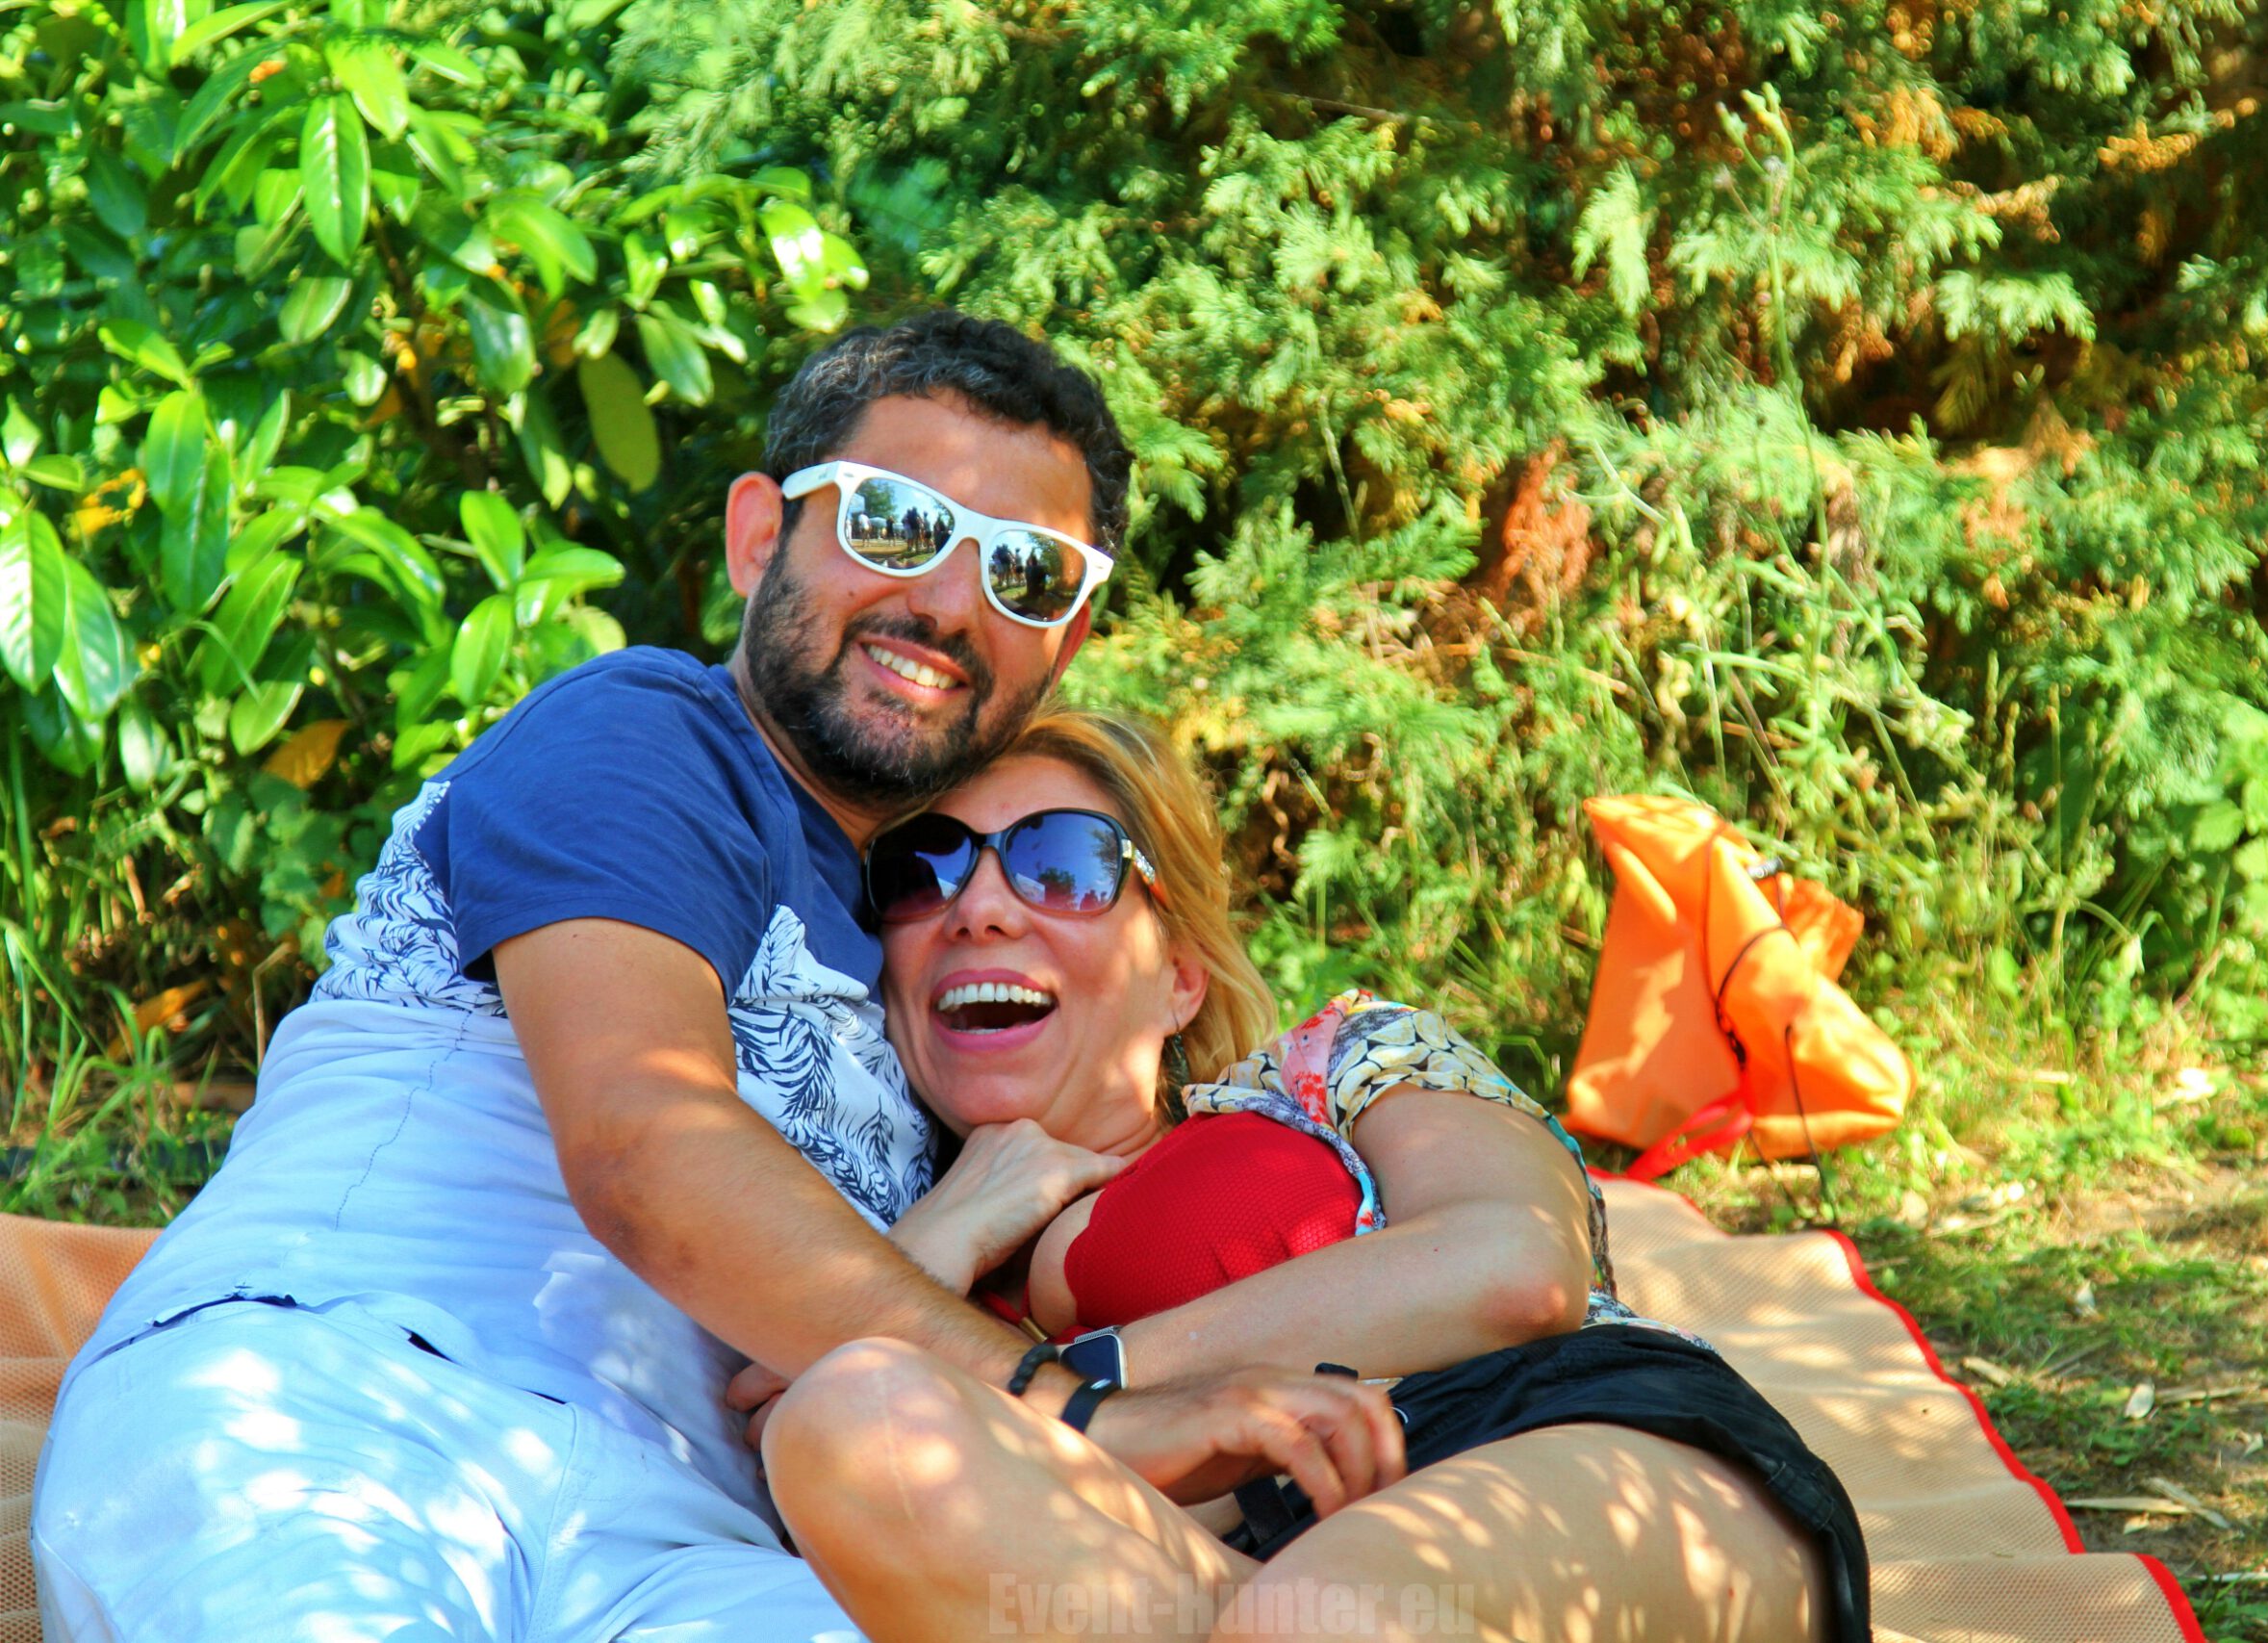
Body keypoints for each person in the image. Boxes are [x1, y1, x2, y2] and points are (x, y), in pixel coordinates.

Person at [32, 313, 1401, 1643]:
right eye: (895, 522)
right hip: (354, 1392)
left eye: (1024, 572)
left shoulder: (936, 957)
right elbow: (648, 1145)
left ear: (1067, 640)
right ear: (759, 537)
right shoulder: (643, 738)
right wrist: (1077, 1410)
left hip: (686, 1544)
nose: (946, 602)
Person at [751, 708, 1873, 1643]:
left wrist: (1089, 1391)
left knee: (1317, 1616)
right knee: (848, 1418)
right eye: (922, 869)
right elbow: (793, 1451)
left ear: (1179, 977)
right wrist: (933, 1245)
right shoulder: (911, 1240)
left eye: (1065, 865)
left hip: (1550, 1433)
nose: (980, 909)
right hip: (1238, 1574)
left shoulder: (1333, 1065)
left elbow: (1516, 1266)